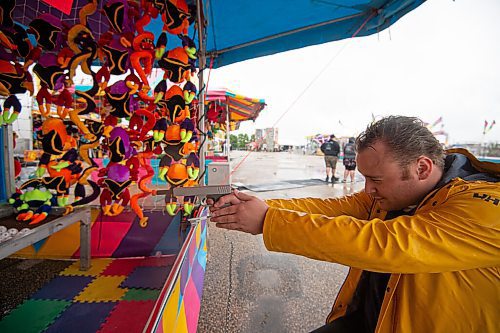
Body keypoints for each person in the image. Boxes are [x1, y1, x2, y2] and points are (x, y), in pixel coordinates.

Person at [209, 116, 500, 333]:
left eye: (376, 180)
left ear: (421, 168)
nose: (368, 190)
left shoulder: (485, 206)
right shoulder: (387, 196)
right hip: (368, 320)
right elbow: (332, 209)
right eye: (365, 178)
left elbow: (389, 244)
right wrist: (258, 206)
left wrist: (267, 221)